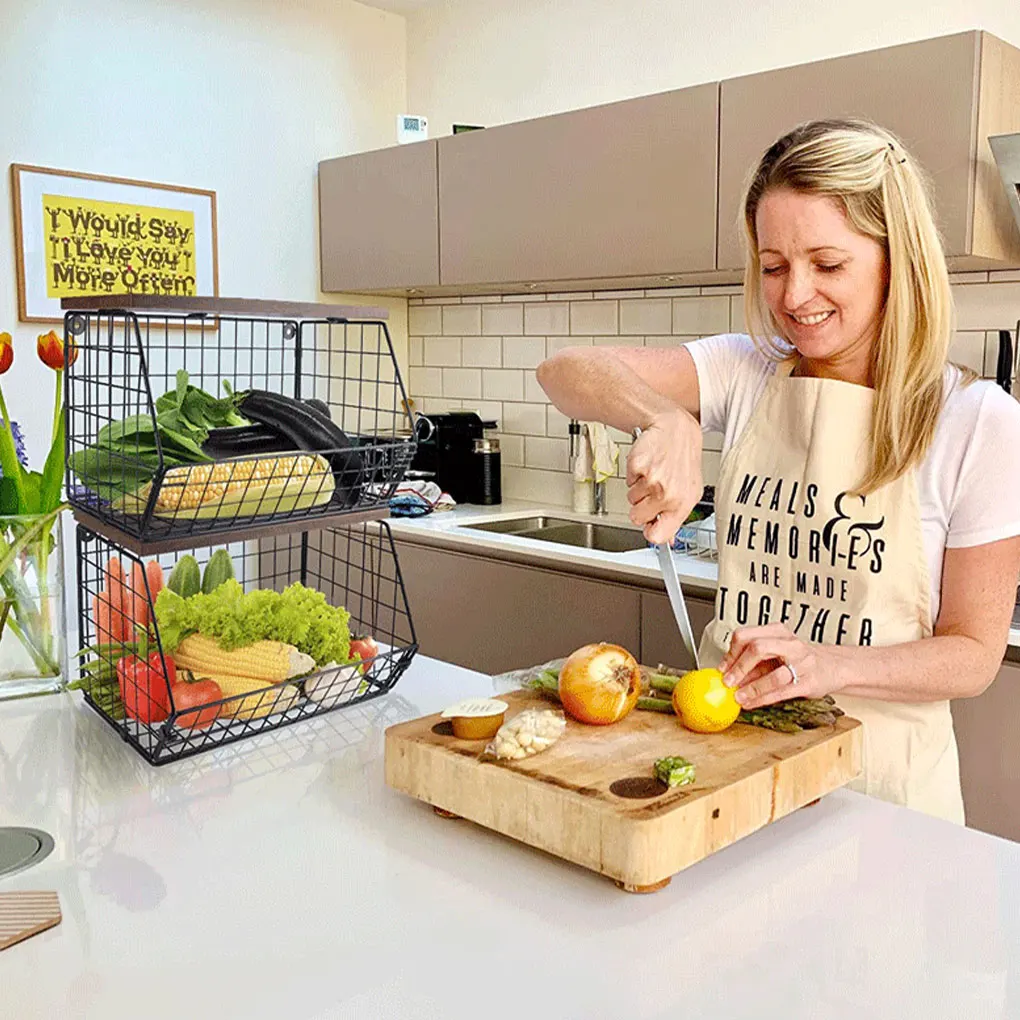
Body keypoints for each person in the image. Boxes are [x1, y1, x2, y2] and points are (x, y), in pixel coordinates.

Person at [536, 118, 1020, 822]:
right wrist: (664, 417)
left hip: (880, 798)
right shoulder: (747, 371)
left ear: (897, 260)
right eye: (773, 266)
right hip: (731, 770)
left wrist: (829, 664)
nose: (794, 297)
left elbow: (973, 655)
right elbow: (564, 371)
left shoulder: (978, 421)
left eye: (827, 264)